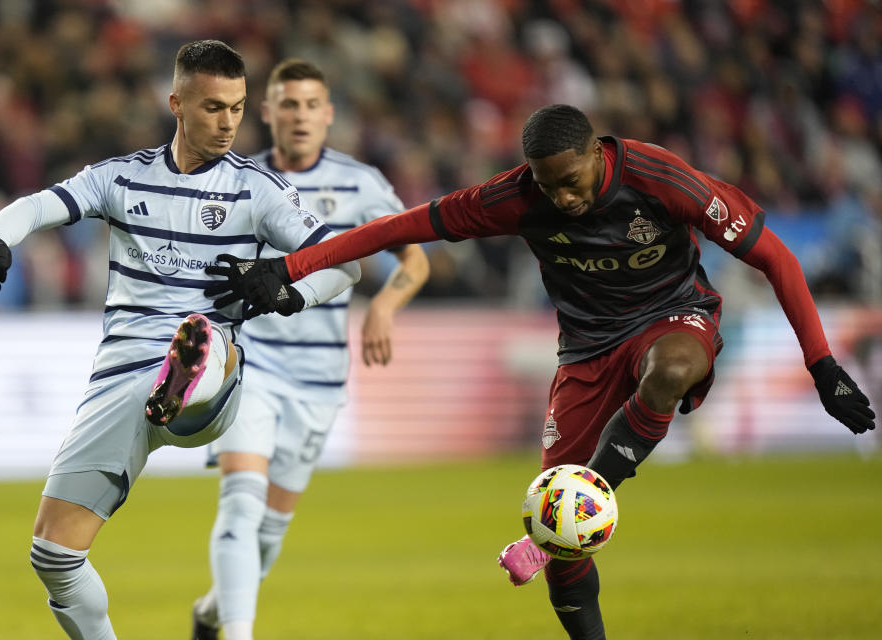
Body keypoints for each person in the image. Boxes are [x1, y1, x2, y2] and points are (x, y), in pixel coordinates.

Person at [203, 104, 876, 640]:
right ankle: (571, 554)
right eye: (546, 183)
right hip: (585, 353)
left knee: (668, 372)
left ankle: (588, 494)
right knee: (565, 554)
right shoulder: (517, 196)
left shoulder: (661, 179)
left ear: (596, 154)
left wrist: (822, 366)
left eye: (571, 180)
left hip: (673, 317)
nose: (561, 196)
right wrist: (287, 268)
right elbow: (397, 227)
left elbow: (777, 258)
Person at [0, 40, 361, 640]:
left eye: (237, 107)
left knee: (204, 334)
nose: (228, 122)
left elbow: (343, 264)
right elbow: (37, 206)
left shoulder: (259, 191)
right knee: (53, 557)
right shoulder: (120, 178)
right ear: (176, 103)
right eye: (212, 108)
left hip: (212, 382)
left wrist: (286, 289)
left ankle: (189, 368)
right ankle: (177, 375)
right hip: (120, 383)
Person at [190, 59, 429, 640]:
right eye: (287, 104)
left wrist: (384, 306)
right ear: (267, 112)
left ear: (328, 115)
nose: (299, 116)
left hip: (318, 379)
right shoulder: (236, 179)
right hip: (249, 364)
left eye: (310, 105)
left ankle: (211, 614)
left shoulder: (361, 183)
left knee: (268, 535)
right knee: (241, 504)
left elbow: (414, 257)